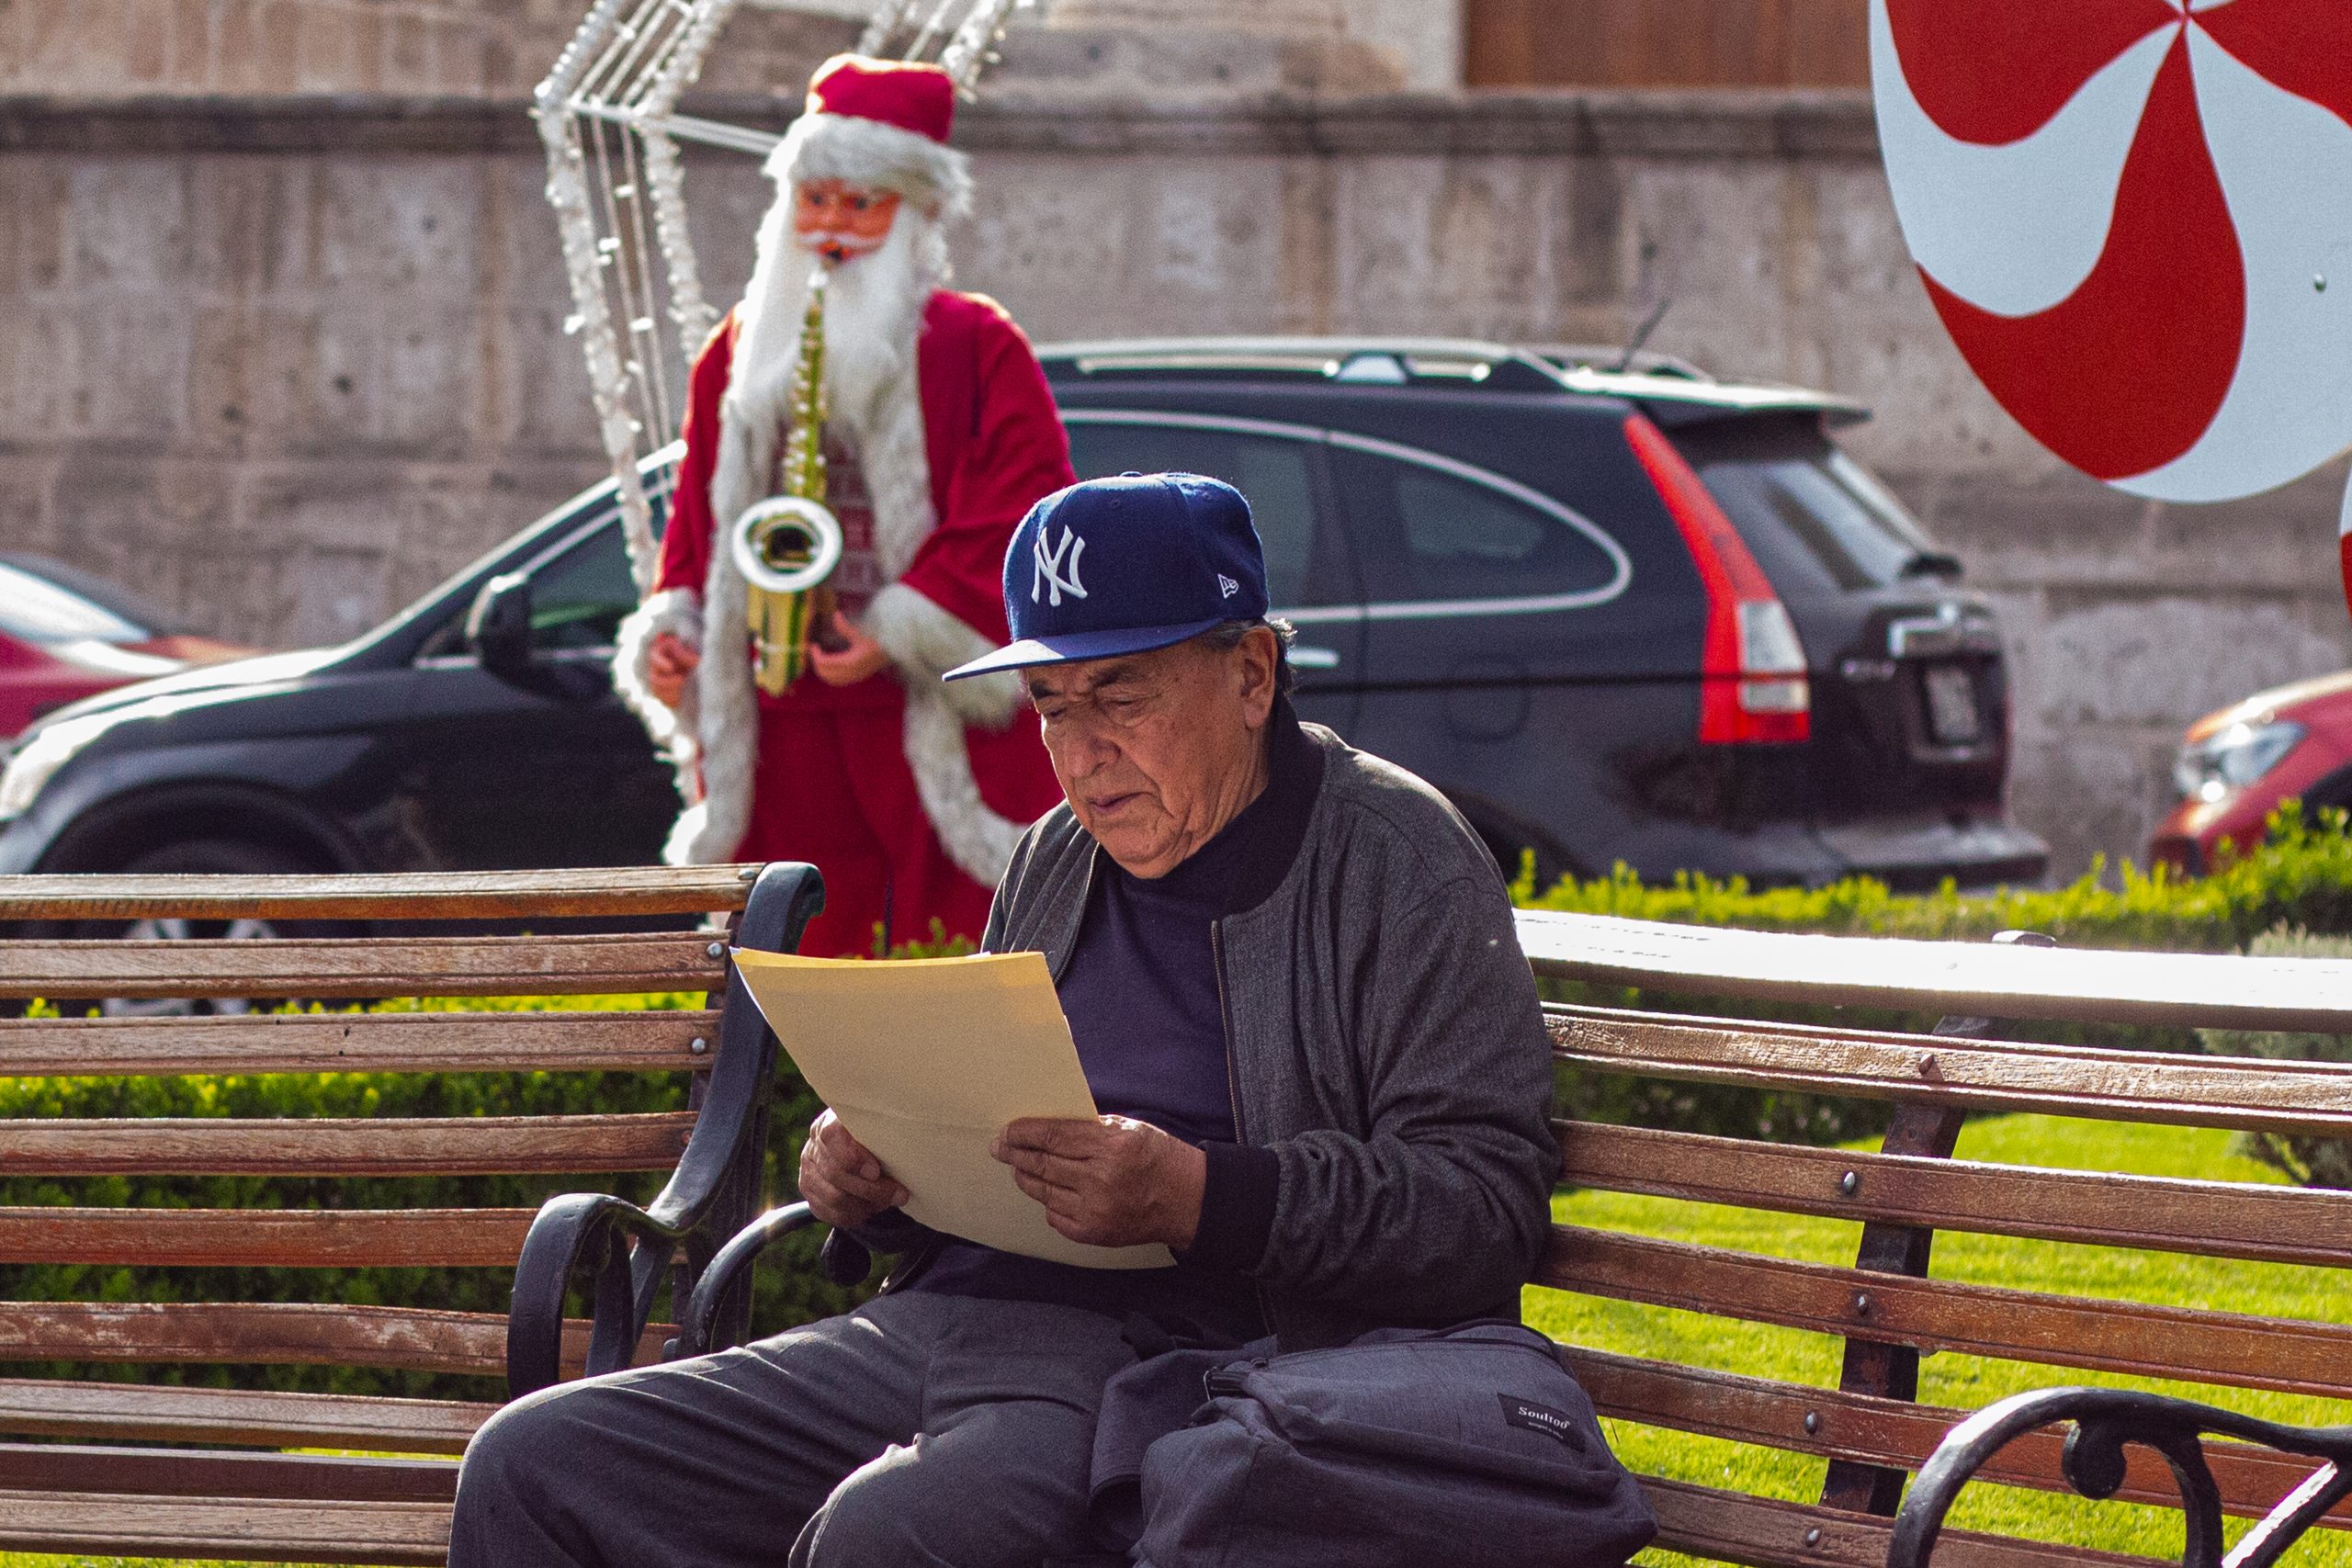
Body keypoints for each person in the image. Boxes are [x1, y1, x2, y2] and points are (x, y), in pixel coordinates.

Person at [454, 473, 1560, 1567]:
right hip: (938, 1332)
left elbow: (1481, 1209)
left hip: (1189, 1373)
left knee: (889, 1535)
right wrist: (873, 1181)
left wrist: (1200, 1195)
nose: (1081, 755)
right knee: (535, 1460)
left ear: (1252, 673)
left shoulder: (1396, 860)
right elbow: (987, 1136)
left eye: (1120, 696)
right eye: (1050, 705)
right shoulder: (1056, 854)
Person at [613, 53, 1071, 957]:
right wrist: (676, 637)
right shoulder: (734, 354)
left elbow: (1026, 506)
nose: (832, 229)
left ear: (917, 211)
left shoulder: (978, 344)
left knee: (948, 955)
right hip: (777, 715)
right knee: (793, 953)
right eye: (816, 200)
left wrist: (899, 628)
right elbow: (699, 530)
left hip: (920, 704)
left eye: (862, 205)